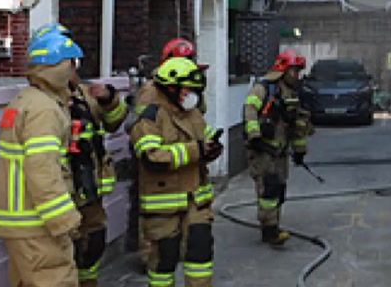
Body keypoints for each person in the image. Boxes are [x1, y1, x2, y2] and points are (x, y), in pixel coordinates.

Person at [29, 24, 130, 287]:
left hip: (89, 189)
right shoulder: (41, 101)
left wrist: (109, 99)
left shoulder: (85, 93)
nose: (73, 67)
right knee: (67, 253)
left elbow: (114, 122)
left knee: (93, 245)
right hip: (64, 194)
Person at [0, 26, 84, 287]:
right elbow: (43, 170)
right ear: (62, 66)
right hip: (38, 225)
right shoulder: (44, 110)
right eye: (72, 63)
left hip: (22, 224)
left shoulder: (27, 101)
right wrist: (65, 220)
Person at [131, 57, 222, 287]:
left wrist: (211, 149)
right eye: (187, 89)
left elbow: (204, 141)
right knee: (163, 262)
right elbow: (152, 158)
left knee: (200, 255)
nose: (192, 95)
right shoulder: (150, 118)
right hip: (164, 206)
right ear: (171, 88)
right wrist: (196, 150)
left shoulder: (193, 115)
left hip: (196, 202)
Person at [242, 50, 313, 246]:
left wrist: (299, 150)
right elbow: (250, 110)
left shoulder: (292, 93)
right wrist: (255, 135)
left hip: (280, 151)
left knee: (279, 190)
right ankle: (269, 230)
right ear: (283, 70)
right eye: (293, 71)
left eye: (298, 71)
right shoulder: (264, 88)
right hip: (263, 150)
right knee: (269, 189)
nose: (296, 75)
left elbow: (298, 125)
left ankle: (273, 225)